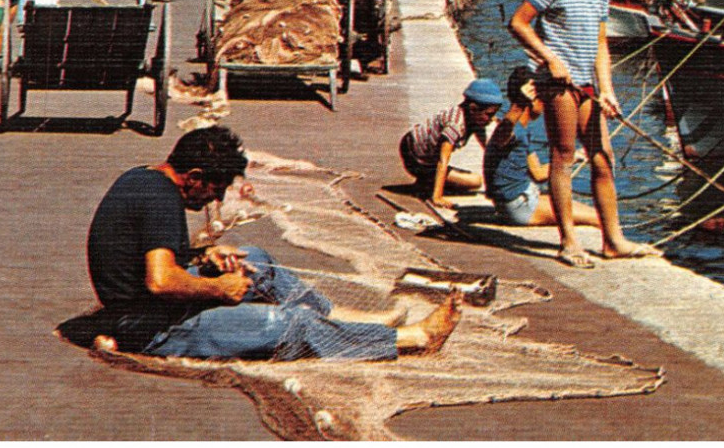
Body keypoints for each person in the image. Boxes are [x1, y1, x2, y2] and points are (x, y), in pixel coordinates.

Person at [88, 126, 461, 361]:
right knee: (287, 325)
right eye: (213, 191)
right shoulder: (162, 199)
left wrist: (204, 256)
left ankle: (339, 319)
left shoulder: (146, 178)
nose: (212, 202)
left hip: (149, 308)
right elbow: (160, 281)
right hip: (151, 327)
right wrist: (218, 288)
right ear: (195, 176)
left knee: (257, 262)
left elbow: (150, 256)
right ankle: (415, 338)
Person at [508, 0, 645, 268]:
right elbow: (518, 23)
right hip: (559, 86)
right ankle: (569, 241)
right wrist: (549, 58)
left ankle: (613, 240)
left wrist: (608, 88)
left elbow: (601, 44)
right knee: (564, 156)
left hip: (587, 84)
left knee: (603, 157)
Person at [483, 67, 600, 228]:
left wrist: (575, 157)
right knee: (596, 217)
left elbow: (537, 173)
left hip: (517, 202)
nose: (546, 105)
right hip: (519, 207)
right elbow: (501, 136)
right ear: (533, 99)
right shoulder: (513, 127)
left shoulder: (523, 128)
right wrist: (519, 105)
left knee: (578, 207)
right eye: (543, 99)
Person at [398, 79, 502, 209]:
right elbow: (443, 160)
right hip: (414, 157)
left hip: (424, 155)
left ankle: (426, 180)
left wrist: (493, 187)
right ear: (473, 109)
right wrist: (437, 197)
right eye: (489, 114)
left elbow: (488, 151)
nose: (492, 119)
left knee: (473, 180)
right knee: (475, 181)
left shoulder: (475, 120)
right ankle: (427, 181)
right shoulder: (455, 125)